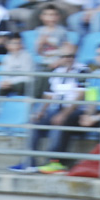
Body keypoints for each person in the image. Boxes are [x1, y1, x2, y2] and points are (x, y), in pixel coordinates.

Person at [19, 41, 87, 173]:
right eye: (65, 56)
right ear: (60, 57)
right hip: (56, 109)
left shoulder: (83, 69)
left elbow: (80, 96)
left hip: (74, 111)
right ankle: (30, 162)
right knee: (34, 122)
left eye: (71, 56)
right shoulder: (57, 71)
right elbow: (49, 95)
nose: (68, 59)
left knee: (59, 121)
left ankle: (54, 161)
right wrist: (40, 111)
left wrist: (64, 114)